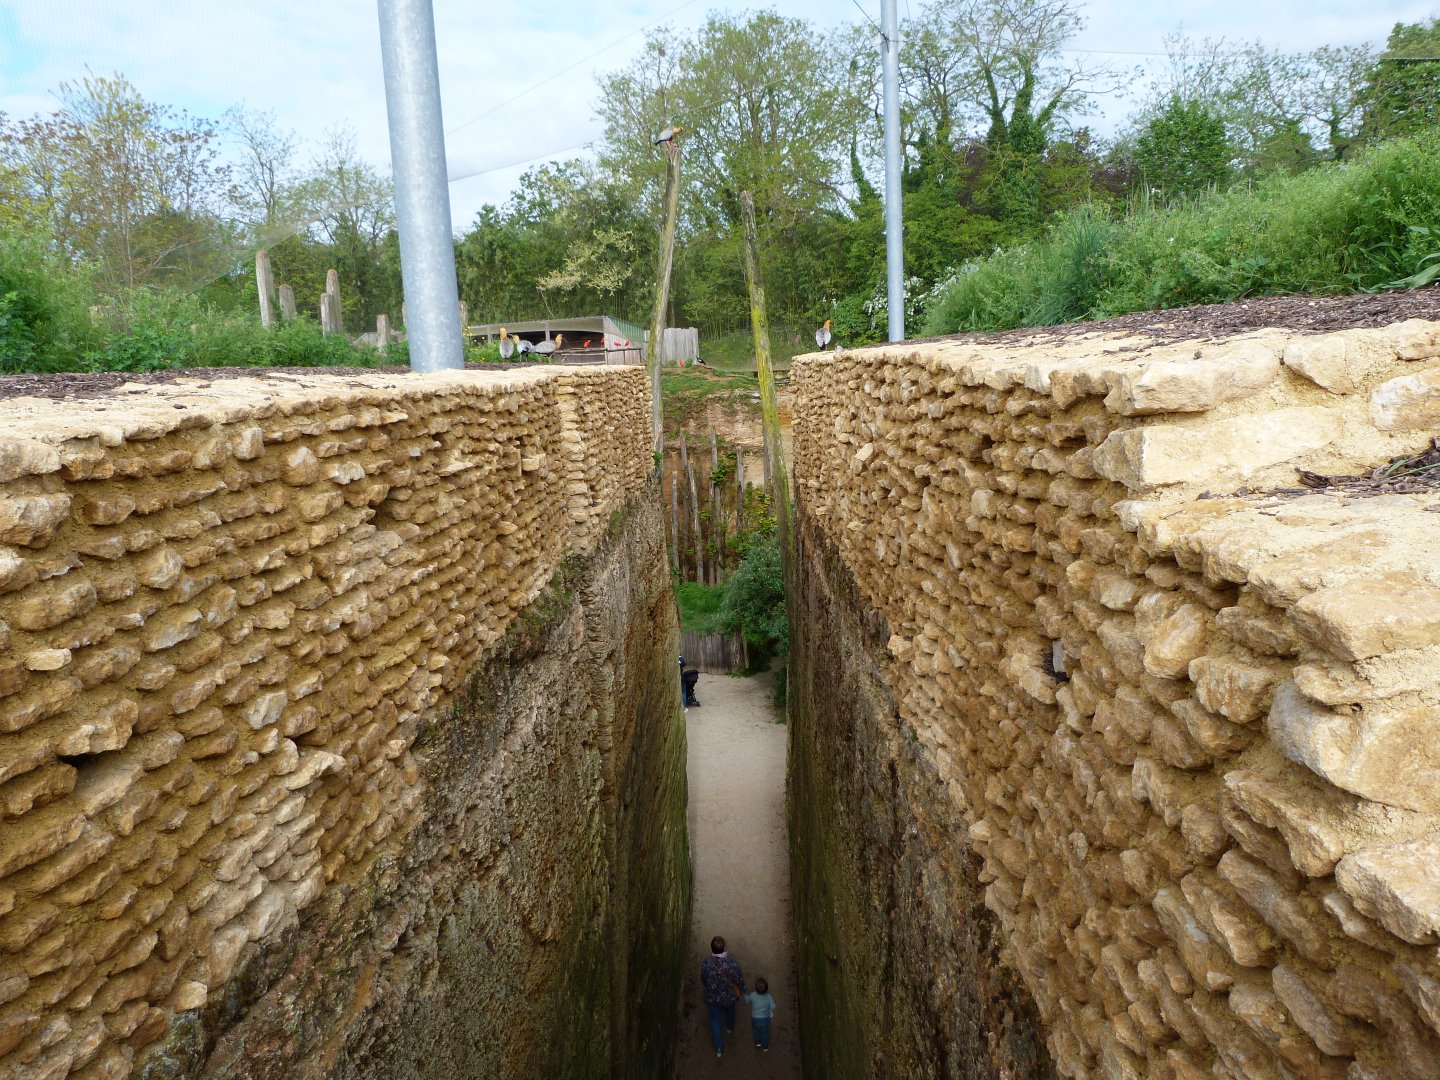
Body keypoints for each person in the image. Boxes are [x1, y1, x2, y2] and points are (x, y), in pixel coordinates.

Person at [700, 936, 746, 1058]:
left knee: (714, 1022)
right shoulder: (732, 964)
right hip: (729, 997)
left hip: (712, 999)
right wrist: (742, 990)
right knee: (730, 1012)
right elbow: (739, 980)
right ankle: (730, 1028)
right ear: (725, 948)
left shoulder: (706, 964)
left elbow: (703, 979)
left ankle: (719, 1048)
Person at [743, 977, 776, 1051]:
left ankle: (758, 1043)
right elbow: (773, 1006)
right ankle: (765, 1047)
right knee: (764, 1032)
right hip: (765, 1019)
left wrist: (744, 994)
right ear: (766, 988)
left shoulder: (752, 995)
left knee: (756, 1031)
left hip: (755, 1019)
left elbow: (748, 1000)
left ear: (755, 988)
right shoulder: (768, 996)